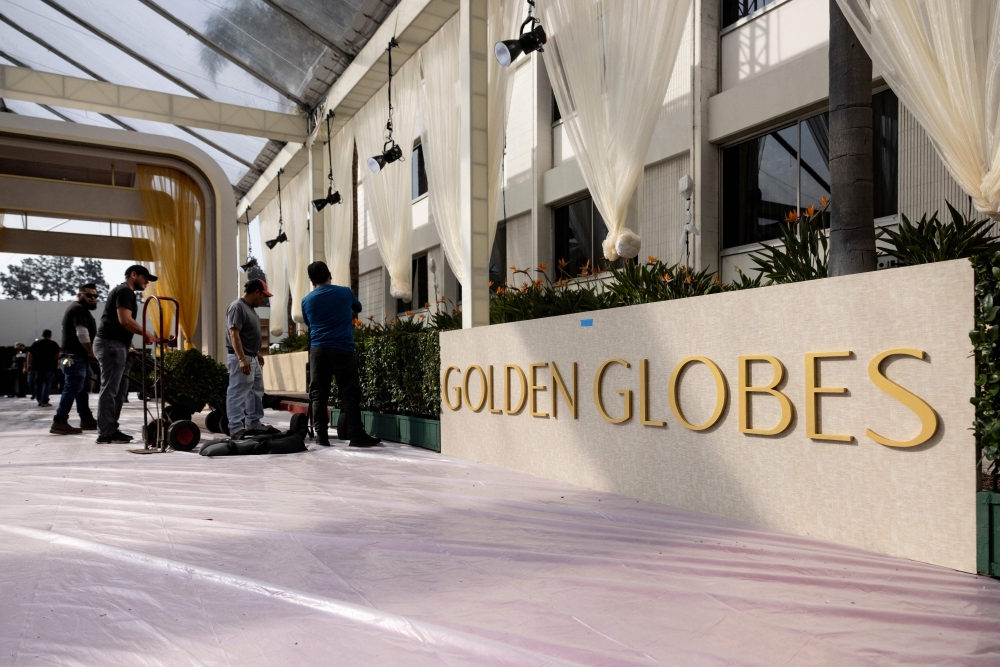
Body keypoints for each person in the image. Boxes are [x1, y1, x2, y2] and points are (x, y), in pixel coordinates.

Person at [301, 261, 380, 448]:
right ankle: (356, 435)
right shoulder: (345, 292)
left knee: (319, 394)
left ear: (312, 281)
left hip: (318, 350)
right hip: (343, 349)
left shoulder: (306, 301)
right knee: (349, 393)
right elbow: (358, 308)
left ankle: (321, 437)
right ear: (330, 274)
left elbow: (308, 322)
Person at [95, 265, 155, 444]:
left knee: (120, 392)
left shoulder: (124, 292)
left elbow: (120, 324)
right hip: (110, 344)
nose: (146, 282)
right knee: (110, 390)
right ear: (133, 275)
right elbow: (125, 320)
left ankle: (111, 429)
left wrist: (129, 346)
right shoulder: (124, 291)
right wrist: (147, 333)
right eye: (145, 278)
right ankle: (105, 432)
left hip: (117, 344)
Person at [50, 283, 100, 435]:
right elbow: (82, 333)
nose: (93, 298)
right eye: (89, 295)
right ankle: (59, 422)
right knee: (72, 388)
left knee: (81, 389)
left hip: (78, 357)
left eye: (95, 296)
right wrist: (92, 353)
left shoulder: (80, 309)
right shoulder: (78, 308)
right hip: (75, 356)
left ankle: (86, 419)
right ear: (79, 295)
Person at [226, 278, 272, 440]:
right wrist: (241, 358)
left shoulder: (250, 309)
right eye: (263, 296)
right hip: (242, 357)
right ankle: (236, 428)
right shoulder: (237, 307)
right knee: (238, 392)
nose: (263, 300)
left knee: (255, 392)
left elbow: (247, 334)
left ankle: (253, 422)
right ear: (256, 292)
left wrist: (256, 352)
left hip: (251, 356)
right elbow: (234, 333)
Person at [26, 330, 61, 407]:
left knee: (38, 383)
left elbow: (29, 354)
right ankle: (44, 400)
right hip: (49, 366)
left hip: (38, 366)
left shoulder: (36, 343)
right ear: (50, 335)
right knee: (47, 384)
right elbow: (58, 355)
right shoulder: (53, 344)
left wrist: (28, 364)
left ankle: (39, 399)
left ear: (42, 335)